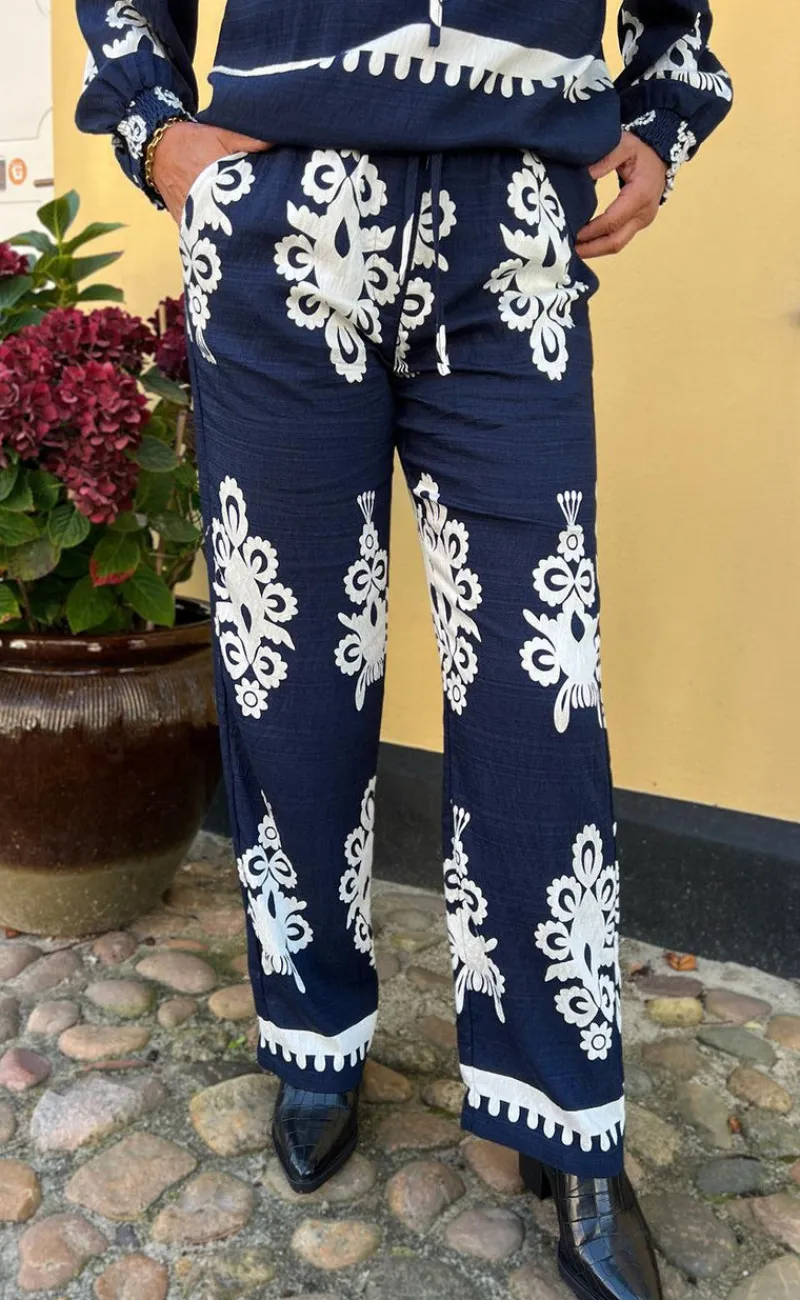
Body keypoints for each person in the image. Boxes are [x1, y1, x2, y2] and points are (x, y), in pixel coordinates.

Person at [75, 5, 731, 1298]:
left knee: (541, 682)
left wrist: (663, 118)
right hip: (280, 221)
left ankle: (566, 1111)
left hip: (514, 230)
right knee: (290, 669)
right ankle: (313, 1031)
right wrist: (154, 128)